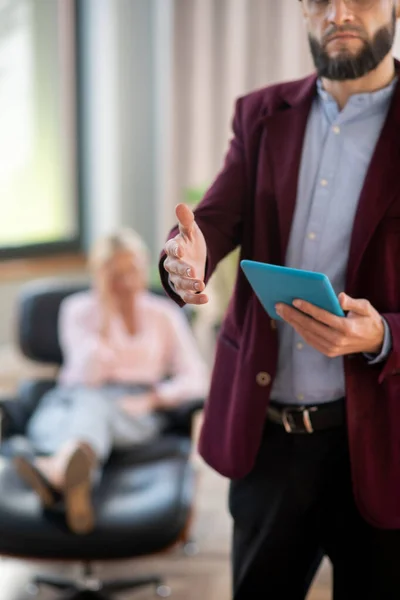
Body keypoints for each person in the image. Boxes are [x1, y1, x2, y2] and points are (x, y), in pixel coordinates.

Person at [160, 1, 400, 598]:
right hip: (269, 440)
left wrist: (384, 334)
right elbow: (210, 223)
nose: (339, 11)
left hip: (383, 441)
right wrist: (186, 258)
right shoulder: (262, 114)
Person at [13, 228, 208, 535]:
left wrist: (155, 399)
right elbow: (88, 375)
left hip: (133, 408)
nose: (127, 283)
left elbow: (196, 379)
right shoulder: (77, 310)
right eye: (116, 275)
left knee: (95, 407)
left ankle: (55, 474)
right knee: (90, 404)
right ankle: (69, 472)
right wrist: (104, 316)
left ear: (145, 266)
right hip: (68, 403)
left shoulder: (164, 315)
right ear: (99, 275)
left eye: (133, 271)